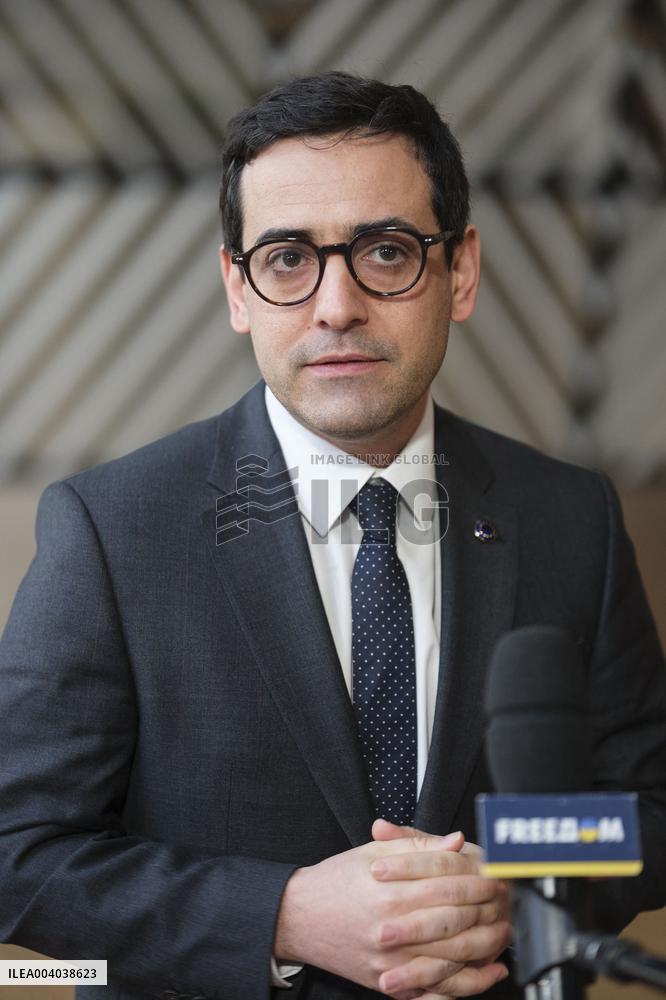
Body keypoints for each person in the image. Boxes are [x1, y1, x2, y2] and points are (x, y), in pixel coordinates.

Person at [0, 72, 664, 1000]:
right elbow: (20, 855)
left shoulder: (571, 518)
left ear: (460, 269)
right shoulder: (110, 531)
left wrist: (504, 886)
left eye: (386, 252)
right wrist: (284, 913)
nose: (337, 305)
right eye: (285, 259)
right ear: (238, 289)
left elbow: (644, 813)